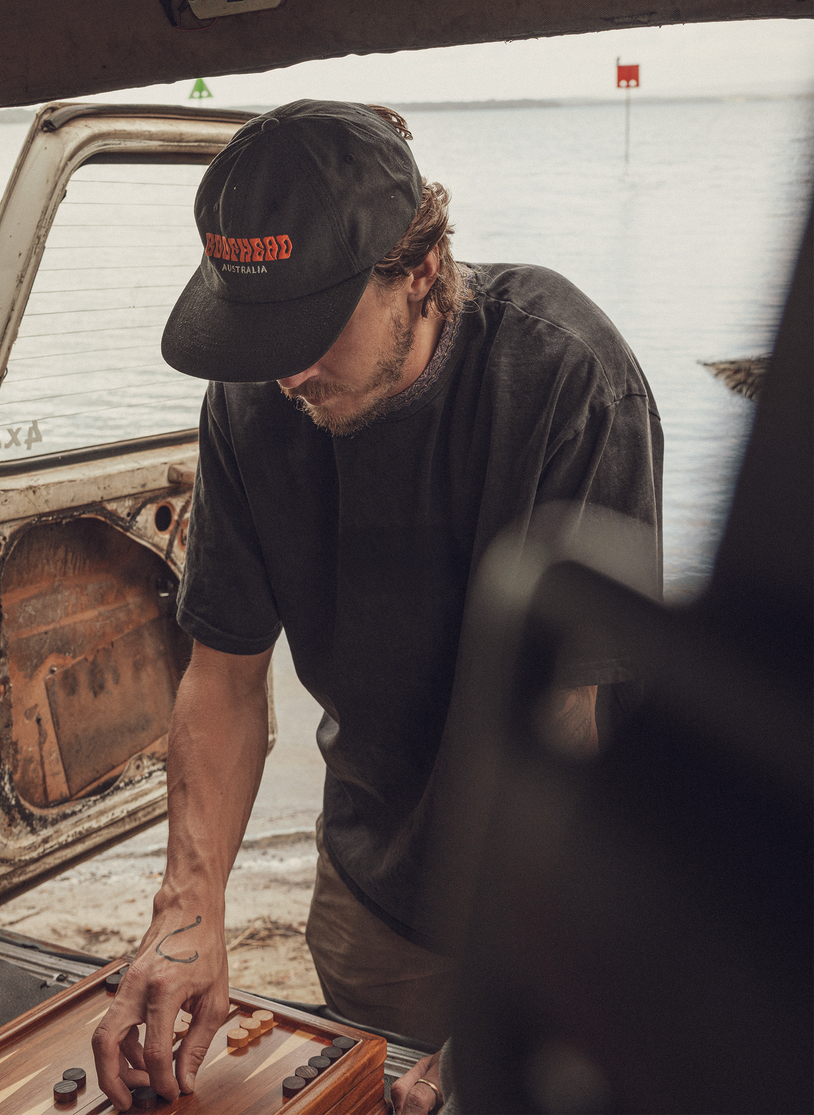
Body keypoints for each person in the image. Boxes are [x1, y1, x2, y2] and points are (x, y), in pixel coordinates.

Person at [92, 100, 662, 1113]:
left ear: (423, 270)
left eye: (314, 328)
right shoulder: (252, 403)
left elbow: (570, 724)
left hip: (558, 895)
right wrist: (187, 910)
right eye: (263, 333)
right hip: (370, 883)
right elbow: (221, 676)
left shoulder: (566, 374)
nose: (289, 370)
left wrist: (513, 996)